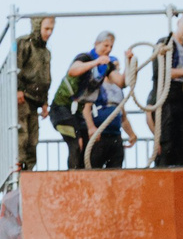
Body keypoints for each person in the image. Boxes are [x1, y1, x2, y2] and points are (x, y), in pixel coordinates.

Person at [149, 13, 183, 166]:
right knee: (168, 142)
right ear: (178, 23)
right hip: (167, 97)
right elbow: (161, 71)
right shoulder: (165, 43)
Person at [68, 33, 123, 168]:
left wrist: (130, 63)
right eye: (106, 45)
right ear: (96, 44)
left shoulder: (115, 84)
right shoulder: (88, 62)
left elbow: (123, 83)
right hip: (89, 126)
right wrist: (92, 127)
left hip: (113, 133)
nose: (109, 49)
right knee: (81, 153)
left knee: (115, 168)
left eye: (111, 46)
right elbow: (73, 71)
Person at [16, 15, 55, 171]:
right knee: (22, 132)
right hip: (23, 96)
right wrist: (18, 89)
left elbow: (46, 77)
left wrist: (45, 102)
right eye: (46, 28)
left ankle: (29, 168)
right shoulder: (24, 44)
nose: (49, 32)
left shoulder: (46, 52)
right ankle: (18, 164)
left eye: (52, 29)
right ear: (38, 27)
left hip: (36, 98)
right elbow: (16, 66)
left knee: (33, 138)